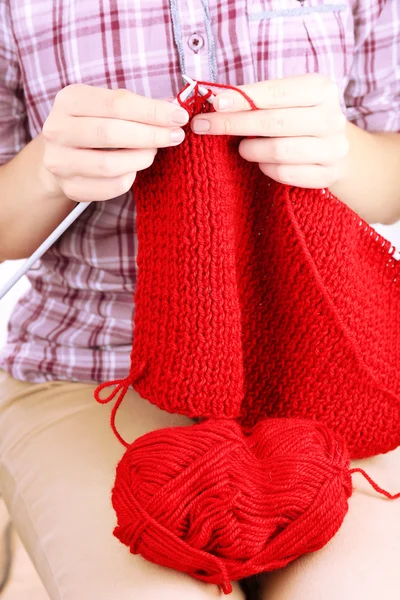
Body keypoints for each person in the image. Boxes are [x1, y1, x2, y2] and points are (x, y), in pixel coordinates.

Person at [0, 1, 399, 598]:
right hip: (89, 366)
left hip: (315, 374)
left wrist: (342, 150)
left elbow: (390, 183)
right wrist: (44, 173)